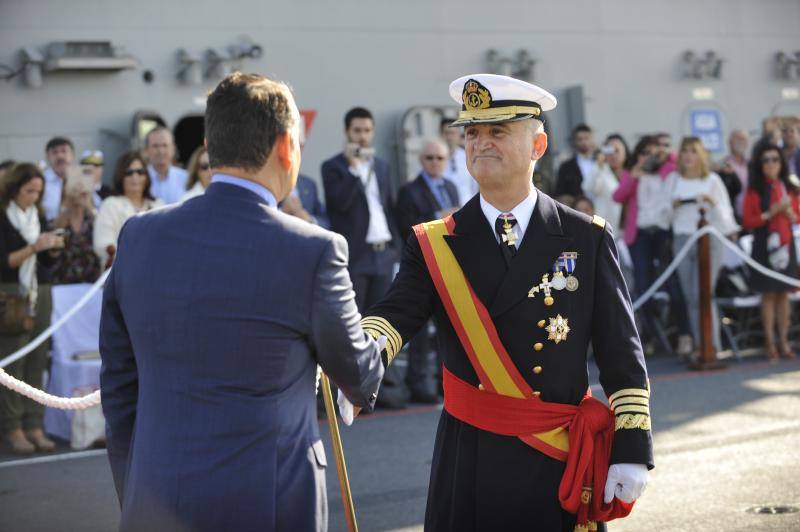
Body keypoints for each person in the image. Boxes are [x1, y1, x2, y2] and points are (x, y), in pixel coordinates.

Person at [356, 74, 652, 531]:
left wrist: (632, 448)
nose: (481, 144)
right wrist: (358, 359)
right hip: (472, 453)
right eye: (473, 133)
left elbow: (620, 351)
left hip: (556, 453)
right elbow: (395, 316)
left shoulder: (585, 236)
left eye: (498, 132)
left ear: (538, 145)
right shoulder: (437, 242)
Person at [99, 72, 384, 532]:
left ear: (211, 144)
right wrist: (385, 331)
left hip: (155, 495)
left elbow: (118, 386)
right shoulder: (314, 251)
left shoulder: (139, 235)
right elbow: (357, 369)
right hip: (267, 502)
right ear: (286, 148)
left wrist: (136, 491)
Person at [0, 163, 65, 454]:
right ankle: (12, 428)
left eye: (38, 192)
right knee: (13, 363)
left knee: (38, 361)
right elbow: (5, 262)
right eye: (29, 191)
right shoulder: (2, 217)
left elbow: (48, 263)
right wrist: (35, 247)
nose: (34, 197)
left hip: (39, 292)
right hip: (11, 295)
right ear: (13, 189)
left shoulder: (37, 215)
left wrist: (51, 248)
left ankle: (34, 424)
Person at [613, 136, 693, 357]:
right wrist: (635, 175)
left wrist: (664, 154)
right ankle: (648, 337)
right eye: (643, 152)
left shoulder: (667, 170)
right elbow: (618, 196)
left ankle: (684, 335)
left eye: (652, 151)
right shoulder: (633, 173)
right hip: (639, 235)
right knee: (642, 285)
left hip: (662, 232)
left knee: (671, 282)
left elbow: (677, 165)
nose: (648, 156)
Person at [395, 138, 460, 403]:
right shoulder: (409, 191)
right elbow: (406, 229)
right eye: (430, 158)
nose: (435, 163)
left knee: (450, 326)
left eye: (440, 158)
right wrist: (439, 216)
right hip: (423, 265)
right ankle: (418, 383)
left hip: (450, 263)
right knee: (420, 330)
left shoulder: (452, 187)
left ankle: (447, 382)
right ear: (421, 160)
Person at [321, 107, 399, 312]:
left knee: (380, 318)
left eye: (367, 130)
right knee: (354, 317)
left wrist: (396, 249)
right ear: (347, 132)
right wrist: (353, 169)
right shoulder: (333, 167)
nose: (362, 136)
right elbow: (340, 204)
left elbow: (388, 207)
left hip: (384, 253)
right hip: (356, 254)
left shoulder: (382, 166)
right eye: (357, 130)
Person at [669, 137, 739, 360]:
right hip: (682, 238)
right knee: (691, 296)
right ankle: (702, 346)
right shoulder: (674, 179)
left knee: (704, 294)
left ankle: (713, 346)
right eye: (685, 151)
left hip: (708, 239)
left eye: (693, 151)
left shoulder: (713, 180)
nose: (688, 156)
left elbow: (726, 217)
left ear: (701, 155)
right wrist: (674, 206)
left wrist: (712, 202)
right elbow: (663, 216)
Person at [741, 143, 800, 361]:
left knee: (784, 293)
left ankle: (784, 341)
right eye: (766, 160)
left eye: (775, 159)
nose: (771, 164)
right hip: (764, 244)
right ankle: (769, 342)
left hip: (785, 244)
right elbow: (748, 220)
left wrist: (791, 215)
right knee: (768, 294)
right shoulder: (754, 188)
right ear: (760, 164)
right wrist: (771, 213)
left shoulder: (788, 185)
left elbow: (797, 214)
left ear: (781, 163)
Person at [93, 152, 162, 268]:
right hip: (121, 272)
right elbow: (102, 243)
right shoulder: (110, 204)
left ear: (146, 176)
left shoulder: (159, 205)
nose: (135, 177)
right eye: (129, 173)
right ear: (120, 176)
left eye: (140, 172)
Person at [48, 172, 102, 284]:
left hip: (92, 281)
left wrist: (88, 202)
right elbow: (54, 237)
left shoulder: (94, 217)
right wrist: (67, 201)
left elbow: (102, 230)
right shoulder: (59, 218)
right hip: (63, 281)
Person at [585, 134, 628, 229]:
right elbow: (588, 187)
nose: (613, 155)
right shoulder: (600, 170)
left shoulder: (631, 173)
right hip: (605, 227)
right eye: (609, 151)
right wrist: (598, 165)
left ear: (625, 152)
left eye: (617, 150)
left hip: (628, 230)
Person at [144, 126, 188, 204]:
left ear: (173, 149)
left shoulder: (186, 178)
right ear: (146, 150)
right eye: (155, 146)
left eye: (165, 145)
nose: (161, 151)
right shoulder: (140, 178)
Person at [441, 117, 478, 206]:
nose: (449, 137)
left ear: (458, 135)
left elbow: (474, 186)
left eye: (453, 133)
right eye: (446, 133)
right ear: (441, 134)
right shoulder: (434, 159)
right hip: (445, 212)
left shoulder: (468, 156)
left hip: (467, 209)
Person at [554, 123, 596, 197]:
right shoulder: (566, 167)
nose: (584, 142)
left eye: (587, 138)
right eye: (580, 139)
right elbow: (560, 193)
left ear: (592, 139)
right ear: (574, 141)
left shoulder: (602, 162)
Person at [42, 136, 75, 221]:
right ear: (47, 157)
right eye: (54, 152)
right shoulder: (41, 182)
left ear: (72, 155)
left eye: (64, 151)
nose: (60, 156)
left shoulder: (82, 178)